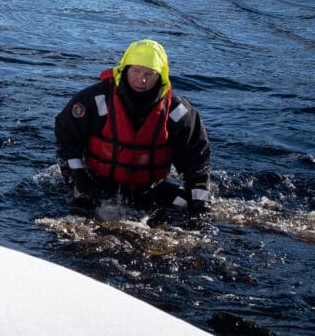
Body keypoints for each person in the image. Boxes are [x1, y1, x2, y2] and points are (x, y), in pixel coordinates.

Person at [54, 38, 212, 217]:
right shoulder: (94, 101)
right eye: (135, 71)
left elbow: (198, 162)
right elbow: (66, 139)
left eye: (149, 74)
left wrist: (200, 207)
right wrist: (78, 179)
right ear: (124, 70)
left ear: (161, 76)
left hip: (150, 191)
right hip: (96, 186)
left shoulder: (178, 113)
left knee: (191, 209)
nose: (141, 80)